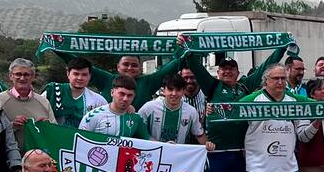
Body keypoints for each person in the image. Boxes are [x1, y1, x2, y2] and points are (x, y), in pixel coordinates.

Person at [56, 49, 188, 108]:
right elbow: (79, 64)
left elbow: (173, 65)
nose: (130, 68)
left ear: (141, 69)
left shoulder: (148, 82)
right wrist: (56, 48)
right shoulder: (107, 79)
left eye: (134, 65)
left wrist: (185, 48)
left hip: (138, 136)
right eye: (126, 64)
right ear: (118, 67)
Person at [0, 58, 56, 151]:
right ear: (11, 76)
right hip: (8, 158)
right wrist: (12, 126)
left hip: (38, 159)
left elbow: (55, 131)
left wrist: (46, 126)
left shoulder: (43, 102)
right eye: (18, 74)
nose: (22, 78)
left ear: (33, 76)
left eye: (26, 74)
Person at [139, 74, 212, 148]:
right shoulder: (148, 108)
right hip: (153, 154)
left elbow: (199, 135)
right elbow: (139, 132)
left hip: (178, 156)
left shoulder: (191, 112)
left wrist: (208, 144)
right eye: (170, 89)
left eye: (178, 90)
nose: (174, 94)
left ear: (183, 91)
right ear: (164, 90)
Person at [44, 57, 107, 127]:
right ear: (68, 74)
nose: (80, 78)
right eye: (76, 74)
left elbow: (105, 125)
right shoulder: (52, 91)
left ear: (90, 76)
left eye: (84, 75)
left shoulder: (98, 101)